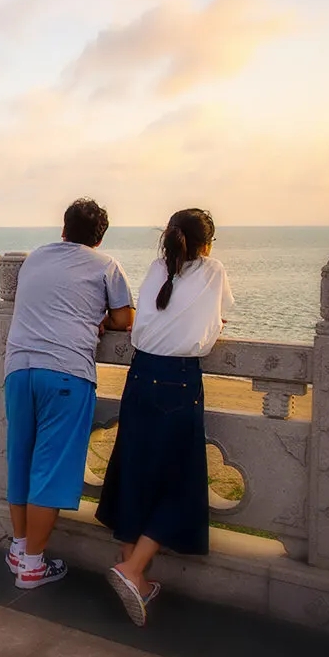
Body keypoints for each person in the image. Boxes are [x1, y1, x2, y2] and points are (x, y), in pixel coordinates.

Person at [97, 208, 234, 626]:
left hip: (141, 373)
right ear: (206, 245)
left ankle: (135, 578)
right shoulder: (212, 270)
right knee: (179, 479)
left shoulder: (158, 268)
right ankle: (133, 568)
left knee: (134, 468)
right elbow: (217, 322)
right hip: (178, 380)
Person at [4, 199, 135, 588]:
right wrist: (100, 319)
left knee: (21, 461)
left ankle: (19, 548)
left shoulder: (34, 259)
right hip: (65, 373)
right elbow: (125, 318)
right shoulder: (106, 265)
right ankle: (32, 565)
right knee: (50, 470)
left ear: (63, 229)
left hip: (18, 369)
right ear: (100, 238)